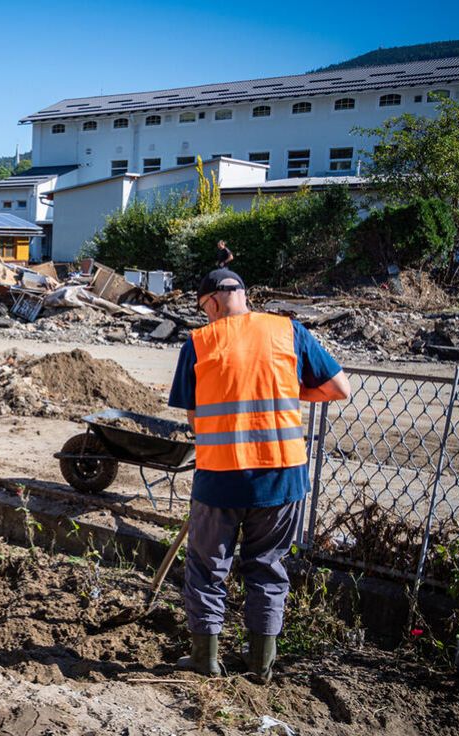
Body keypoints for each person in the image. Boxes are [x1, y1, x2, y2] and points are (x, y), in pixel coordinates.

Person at [168, 269, 350, 681]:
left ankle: (205, 660)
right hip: (282, 477)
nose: (206, 316)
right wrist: (288, 390)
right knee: (267, 567)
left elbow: (196, 420)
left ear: (213, 302)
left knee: (207, 568)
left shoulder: (199, 343)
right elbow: (339, 388)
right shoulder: (289, 331)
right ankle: (261, 664)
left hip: (221, 478)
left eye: (204, 309)